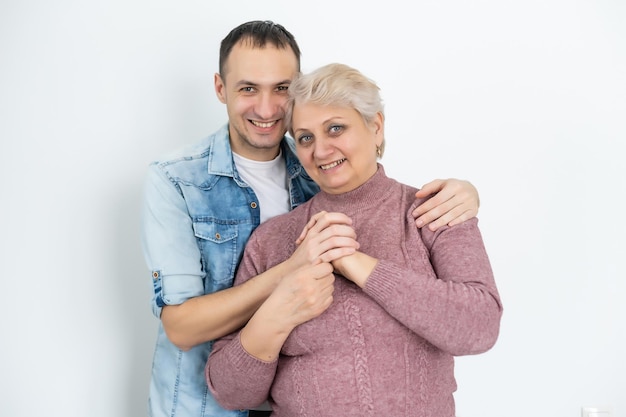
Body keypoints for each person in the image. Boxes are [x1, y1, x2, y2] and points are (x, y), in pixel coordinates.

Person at [141, 21, 481, 417]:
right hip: (202, 404)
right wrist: (289, 275)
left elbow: (368, 189)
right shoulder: (176, 180)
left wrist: (466, 191)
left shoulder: (320, 169)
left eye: (281, 89)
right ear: (221, 88)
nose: (266, 109)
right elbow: (182, 329)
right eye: (248, 88)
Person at [205, 62, 503, 417]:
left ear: (375, 127)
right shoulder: (272, 240)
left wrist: (358, 264)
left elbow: (480, 328)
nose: (321, 150)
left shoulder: (434, 211)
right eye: (305, 138)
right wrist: (279, 309)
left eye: (335, 128)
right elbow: (231, 392)